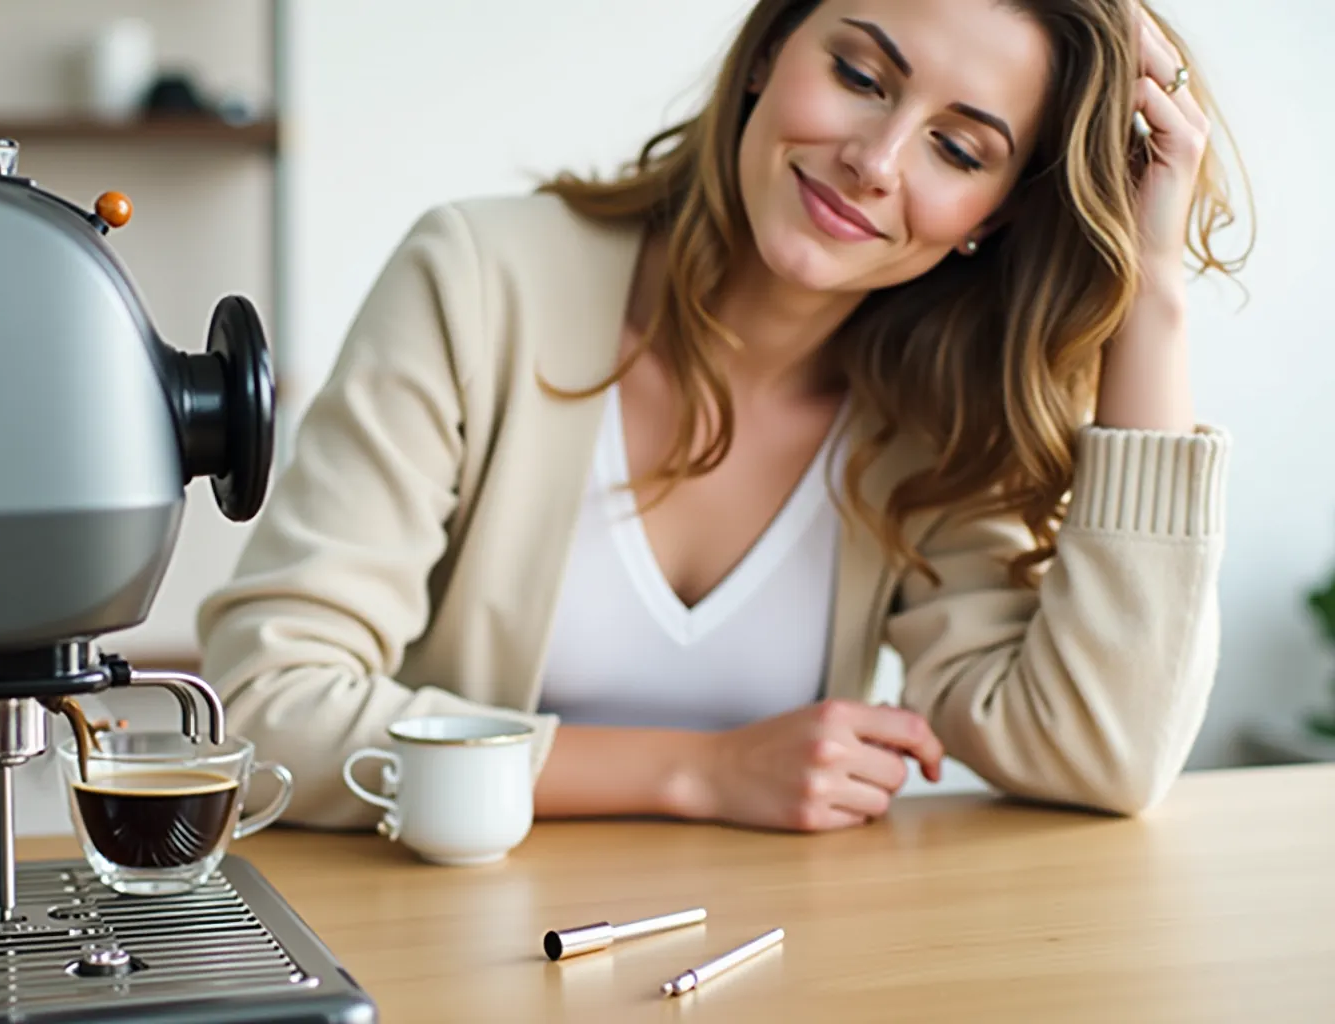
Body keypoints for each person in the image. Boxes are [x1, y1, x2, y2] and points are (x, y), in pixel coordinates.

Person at [194, 0, 1251, 833]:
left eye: (959, 151)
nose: (875, 161)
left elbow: (1100, 752)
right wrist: (696, 772)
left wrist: (1150, 291)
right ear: (769, 48)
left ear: (1000, 211)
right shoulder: (480, 279)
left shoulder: (934, 414)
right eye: (857, 76)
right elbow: (267, 712)